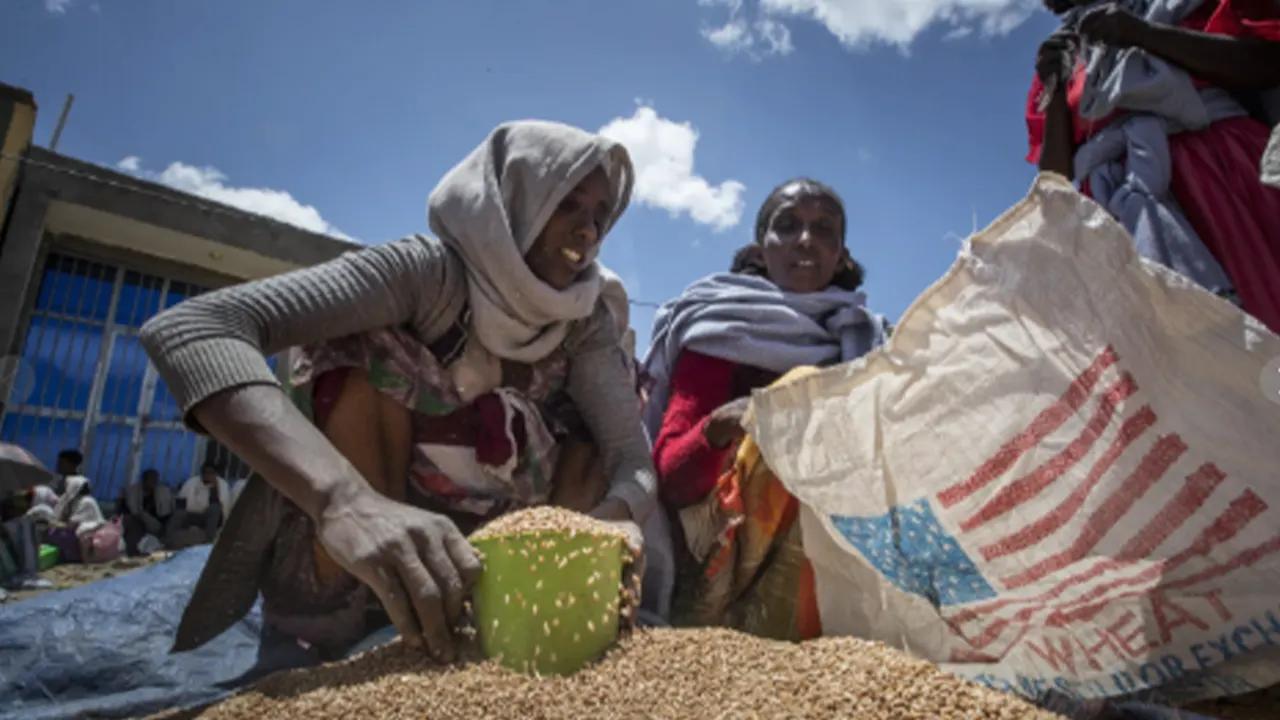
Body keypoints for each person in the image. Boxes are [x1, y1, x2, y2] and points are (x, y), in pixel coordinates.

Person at [140, 120, 655, 661]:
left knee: (595, 435)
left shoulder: (583, 320)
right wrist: (345, 502)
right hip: (366, 536)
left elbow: (632, 461)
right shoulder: (425, 274)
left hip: (503, 573)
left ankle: (527, 622)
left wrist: (609, 526)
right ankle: (373, 610)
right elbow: (193, 330)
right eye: (569, 203)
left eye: (600, 216)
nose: (589, 231)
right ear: (515, 200)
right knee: (361, 359)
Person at [643, 178, 888, 639]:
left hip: (832, 539)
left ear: (841, 253)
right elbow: (672, 479)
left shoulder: (862, 342)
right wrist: (723, 428)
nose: (806, 241)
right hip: (720, 550)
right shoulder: (720, 328)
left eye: (824, 231)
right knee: (798, 397)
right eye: (788, 226)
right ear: (761, 249)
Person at [1029, 0, 1280, 333]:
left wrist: (1143, 33)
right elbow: (1056, 177)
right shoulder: (1062, 53)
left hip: (1224, 176)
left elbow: (1265, 63)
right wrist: (1055, 89)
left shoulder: (1181, 6)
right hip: (1122, 216)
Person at [170, 463, 229, 546]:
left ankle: (209, 541)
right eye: (205, 472)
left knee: (215, 508)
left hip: (207, 517)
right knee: (179, 512)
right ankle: (168, 539)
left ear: (215, 474)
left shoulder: (222, 484)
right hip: (191, 514)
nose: (207, 475)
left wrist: (214, 488)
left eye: (211, 473)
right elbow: (180, 503)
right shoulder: (191, 482)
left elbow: (222, 507)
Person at [121, 469, 174, 556]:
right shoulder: (133, 491)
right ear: (144, 480)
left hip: (156, 523)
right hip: (137, 520)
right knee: (131, 522)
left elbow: (166, 512)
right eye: (151, 479)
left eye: (155, 479)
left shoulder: (162, 492)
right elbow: (133, 510)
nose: (154, 482)